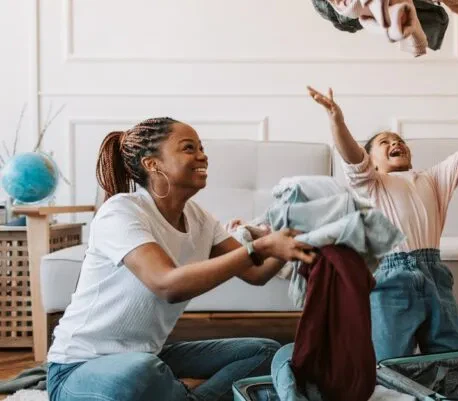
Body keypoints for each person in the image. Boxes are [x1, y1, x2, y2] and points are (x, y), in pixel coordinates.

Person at [45, 117, 316, 401]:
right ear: (153, 164)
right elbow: (167, 284)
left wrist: (297, 240)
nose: (202, 156)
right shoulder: (121, 211)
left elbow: (257, 273)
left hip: (149, 356)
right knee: (141, 373)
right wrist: (258, 247)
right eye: (189, 148)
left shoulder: (200, 219)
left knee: (264, 352)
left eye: (201, 147)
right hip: (77, 368)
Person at [307, 85, 458, 360]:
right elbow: (352, 157)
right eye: (384, 142)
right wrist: (336, 120)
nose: (395, 143)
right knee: (386, 363)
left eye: (398, 139)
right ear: (371, 162)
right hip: (391, 280)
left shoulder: (433, 179)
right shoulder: (371, 183)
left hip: (435, 275)